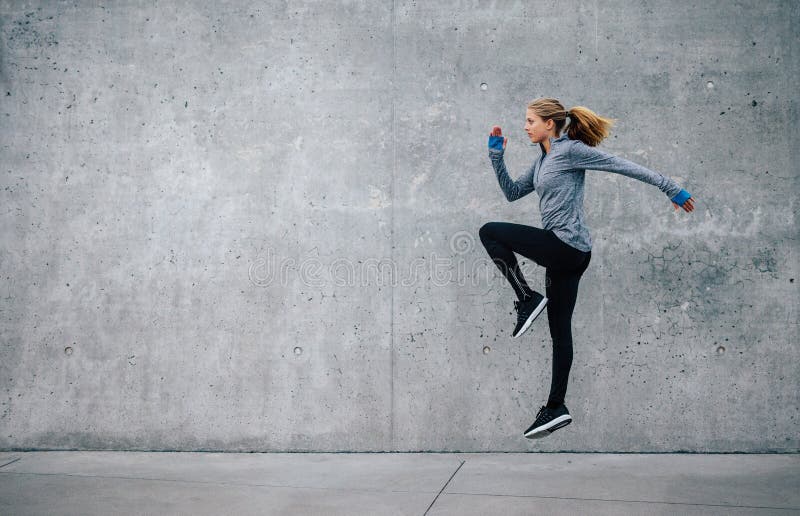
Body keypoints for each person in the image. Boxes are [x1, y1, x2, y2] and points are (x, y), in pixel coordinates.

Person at [479, 97, 695, 439]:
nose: (525, 126)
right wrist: (496, 157)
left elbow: (622, 165)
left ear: (550, 123)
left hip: (565, 246)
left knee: (489, 232)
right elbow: (512, 192)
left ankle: (527, 299)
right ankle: (555, 407)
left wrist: (672, 188)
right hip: (569, 253)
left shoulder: (570, 151)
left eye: (530, 120)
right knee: (560, 333)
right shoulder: (543, 162)